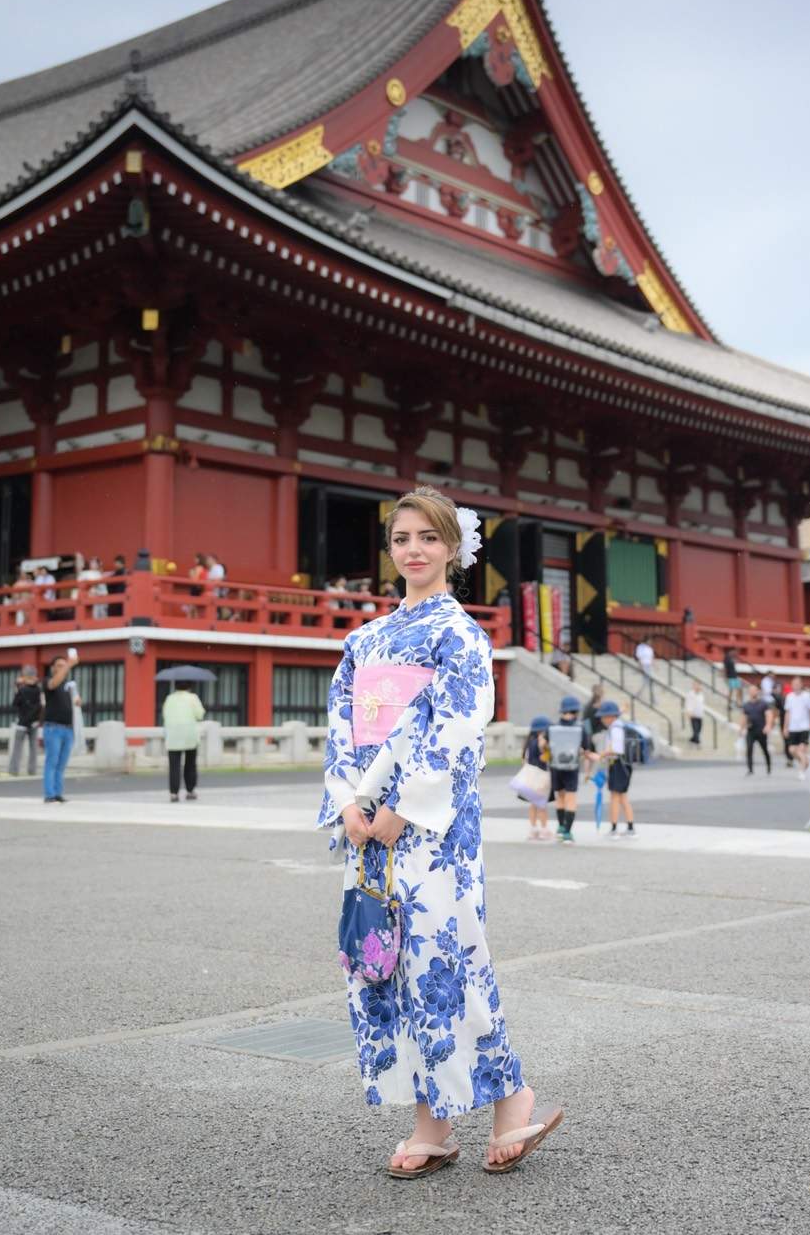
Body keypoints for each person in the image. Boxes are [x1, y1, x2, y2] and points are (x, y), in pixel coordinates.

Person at [318, 485, 561, 1176]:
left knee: (444, 962)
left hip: (430, 827)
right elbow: (342, 725)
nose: (413, 550)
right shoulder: (364, 639)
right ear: (389, 549)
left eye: (428, 537)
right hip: (368, 823)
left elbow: (455, 731)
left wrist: (402, 808)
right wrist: (349, 802)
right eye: (402, 538)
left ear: (453, 548)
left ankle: (512, 1094)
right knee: (386, 966)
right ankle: (435, 1119)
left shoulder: (458, 633)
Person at [548, 694, 589, 841]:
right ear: (576, 712)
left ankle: (561, 827)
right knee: (571, 799)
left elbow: (545, 747)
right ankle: (567, 832)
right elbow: (586, 750)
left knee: (560, 797)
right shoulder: (581, 728)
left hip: (555, 767)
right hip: (572, 768)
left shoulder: (552, 727)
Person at [161, 681, 206, 802]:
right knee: (190, 764)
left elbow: (165, 715)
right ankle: (190, 790)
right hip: (189, 735)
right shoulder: (193, 698)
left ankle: (174, 793)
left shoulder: (169, 699)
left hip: (173, 735)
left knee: (174, 766)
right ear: (189, 686)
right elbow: (200, 715)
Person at [596, 700, 635, 836]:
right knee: (623, 796)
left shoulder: (616, 728)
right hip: (623, 765)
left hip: (618, 764)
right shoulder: (619, 725)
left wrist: (601, 755)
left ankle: (614, 828)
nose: (601, 719)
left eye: (603, 716)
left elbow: (616, 749)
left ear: (610, 716)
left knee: (615, 797)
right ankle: (630, 827)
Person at [42, 656, 75, 803]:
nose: (63, 668)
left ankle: (58, 793)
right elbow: (53, 684)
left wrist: (77, 701)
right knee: (52, 762)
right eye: (59, 666)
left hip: (68, 729)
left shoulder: (67, 685)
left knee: (61, 764)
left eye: (64, 666)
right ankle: (49, 794)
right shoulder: (48, 681)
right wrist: (69, 664)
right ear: (53, 668)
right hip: (53, 728)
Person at [522, 715, 552, 840]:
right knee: (541, 804)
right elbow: (543, 758)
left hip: (530, 776)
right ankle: (544, 829)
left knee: (533, 804)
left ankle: (533, 829)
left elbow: (524, 760)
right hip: (540, 776)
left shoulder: (528, 743)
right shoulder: (540, 742)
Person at [9, 665, 42, 776]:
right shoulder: (38, 689)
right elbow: (40, 706)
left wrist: (17, 687)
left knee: (17, 748)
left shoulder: (22, 690)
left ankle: (14, 770)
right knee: (33, 749)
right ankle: (32, 771)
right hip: (34, 722)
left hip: (22, 722)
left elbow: (15, 704)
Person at [783, 676, 810, 774]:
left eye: (798, 684)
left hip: (804, 727)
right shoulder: (789, 697)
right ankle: (807, 762)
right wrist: (785, 727)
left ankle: (802, 771)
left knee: (801, 750)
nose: (796, 686)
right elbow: (787, 713)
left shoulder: (807, 696)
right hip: (793, 727)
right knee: (792, 750)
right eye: (794, 684)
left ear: (801, 685)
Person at [742, 690, 774, 775]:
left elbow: (769, 715)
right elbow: (744, 717)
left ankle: (768, 767)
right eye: (752, 691)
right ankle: (750, 769)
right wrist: (742, 728)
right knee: (749, 749)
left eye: (754, 691)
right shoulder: (746, 705)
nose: (753, 693)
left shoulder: (763, 704)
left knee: (765, 749)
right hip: (751, 731)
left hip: (761, 730)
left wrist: (768, 725)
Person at [634, 637, 655, 705]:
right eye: (649, 641)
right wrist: (640, 666)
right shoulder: (641, 647)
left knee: (647, 682)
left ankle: (638, 694)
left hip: (649, 666)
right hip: (644, 665)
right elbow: (639, 657)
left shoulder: (650, 649)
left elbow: (651, 658)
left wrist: (655, 665)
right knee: (647, 681)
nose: (650, 642)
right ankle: (652, 698)